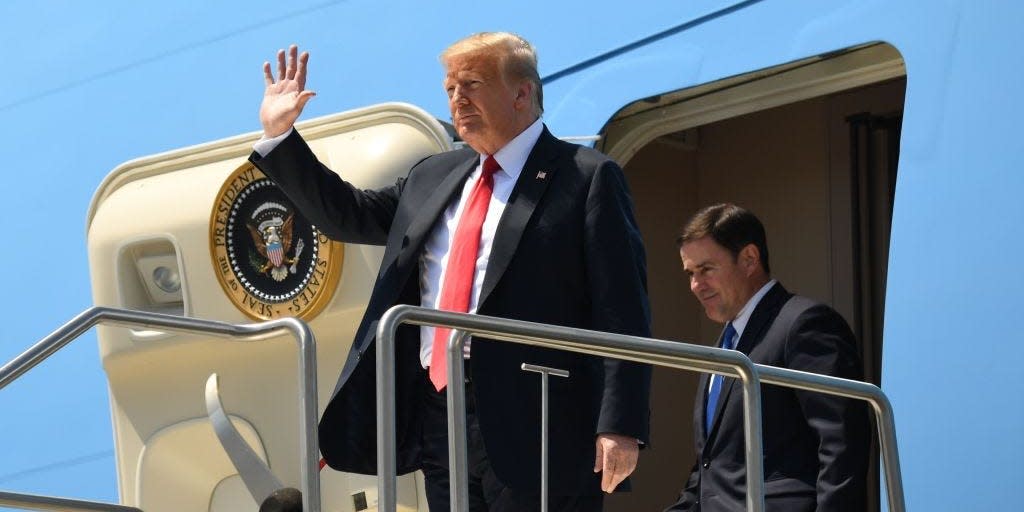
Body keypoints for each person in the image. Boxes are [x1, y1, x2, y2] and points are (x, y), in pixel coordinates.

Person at [250, 33, 652, 511]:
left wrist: (620, 423)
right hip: (439, 412)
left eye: (473, 84)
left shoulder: (586, 177)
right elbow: (347, 215)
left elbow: (621, 307)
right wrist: (281, 138)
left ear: (522, 93)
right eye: (449, 88)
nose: (457, 99)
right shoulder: (433, 175)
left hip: (539, 416)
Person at [665, 204, 869, 512]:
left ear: (749, 259)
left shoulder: (803, 324)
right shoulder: (724, 345)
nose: (696, 285)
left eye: (706, 269)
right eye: (690, 273)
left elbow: (842, 444)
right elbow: (711, 469)